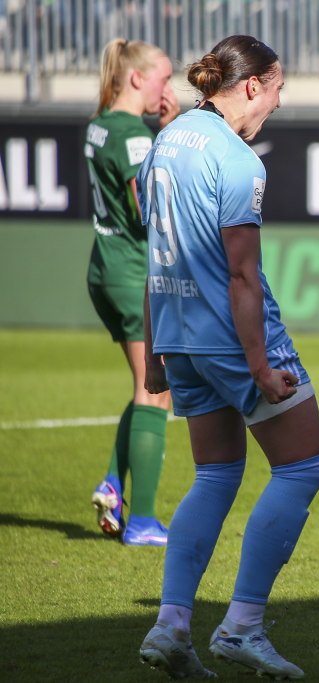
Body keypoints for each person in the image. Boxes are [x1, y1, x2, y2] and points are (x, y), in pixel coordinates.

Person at [135, 35, 319, 680]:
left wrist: (155, 356)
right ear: (251, 85)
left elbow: (154, 258)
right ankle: (242, 626)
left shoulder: (167, 141)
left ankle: (171, 626)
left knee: (215, 475)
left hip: (178, 337)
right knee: (302, 467)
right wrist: (261, 367)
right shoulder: (238, 160)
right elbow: (242, 276)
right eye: (277, 89)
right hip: (232, 339)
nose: (278, 102)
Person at [87, 38, 181, 546]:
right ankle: (142, 521)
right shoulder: (132, 136)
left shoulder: (100, 124)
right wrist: (168, 138)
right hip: (131, 272)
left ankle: (111, 483)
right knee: (156, 389)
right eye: (164, 78)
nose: (168, 89)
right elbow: (150, 211)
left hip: (104, 267)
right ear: (138, 78)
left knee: (143, 388)